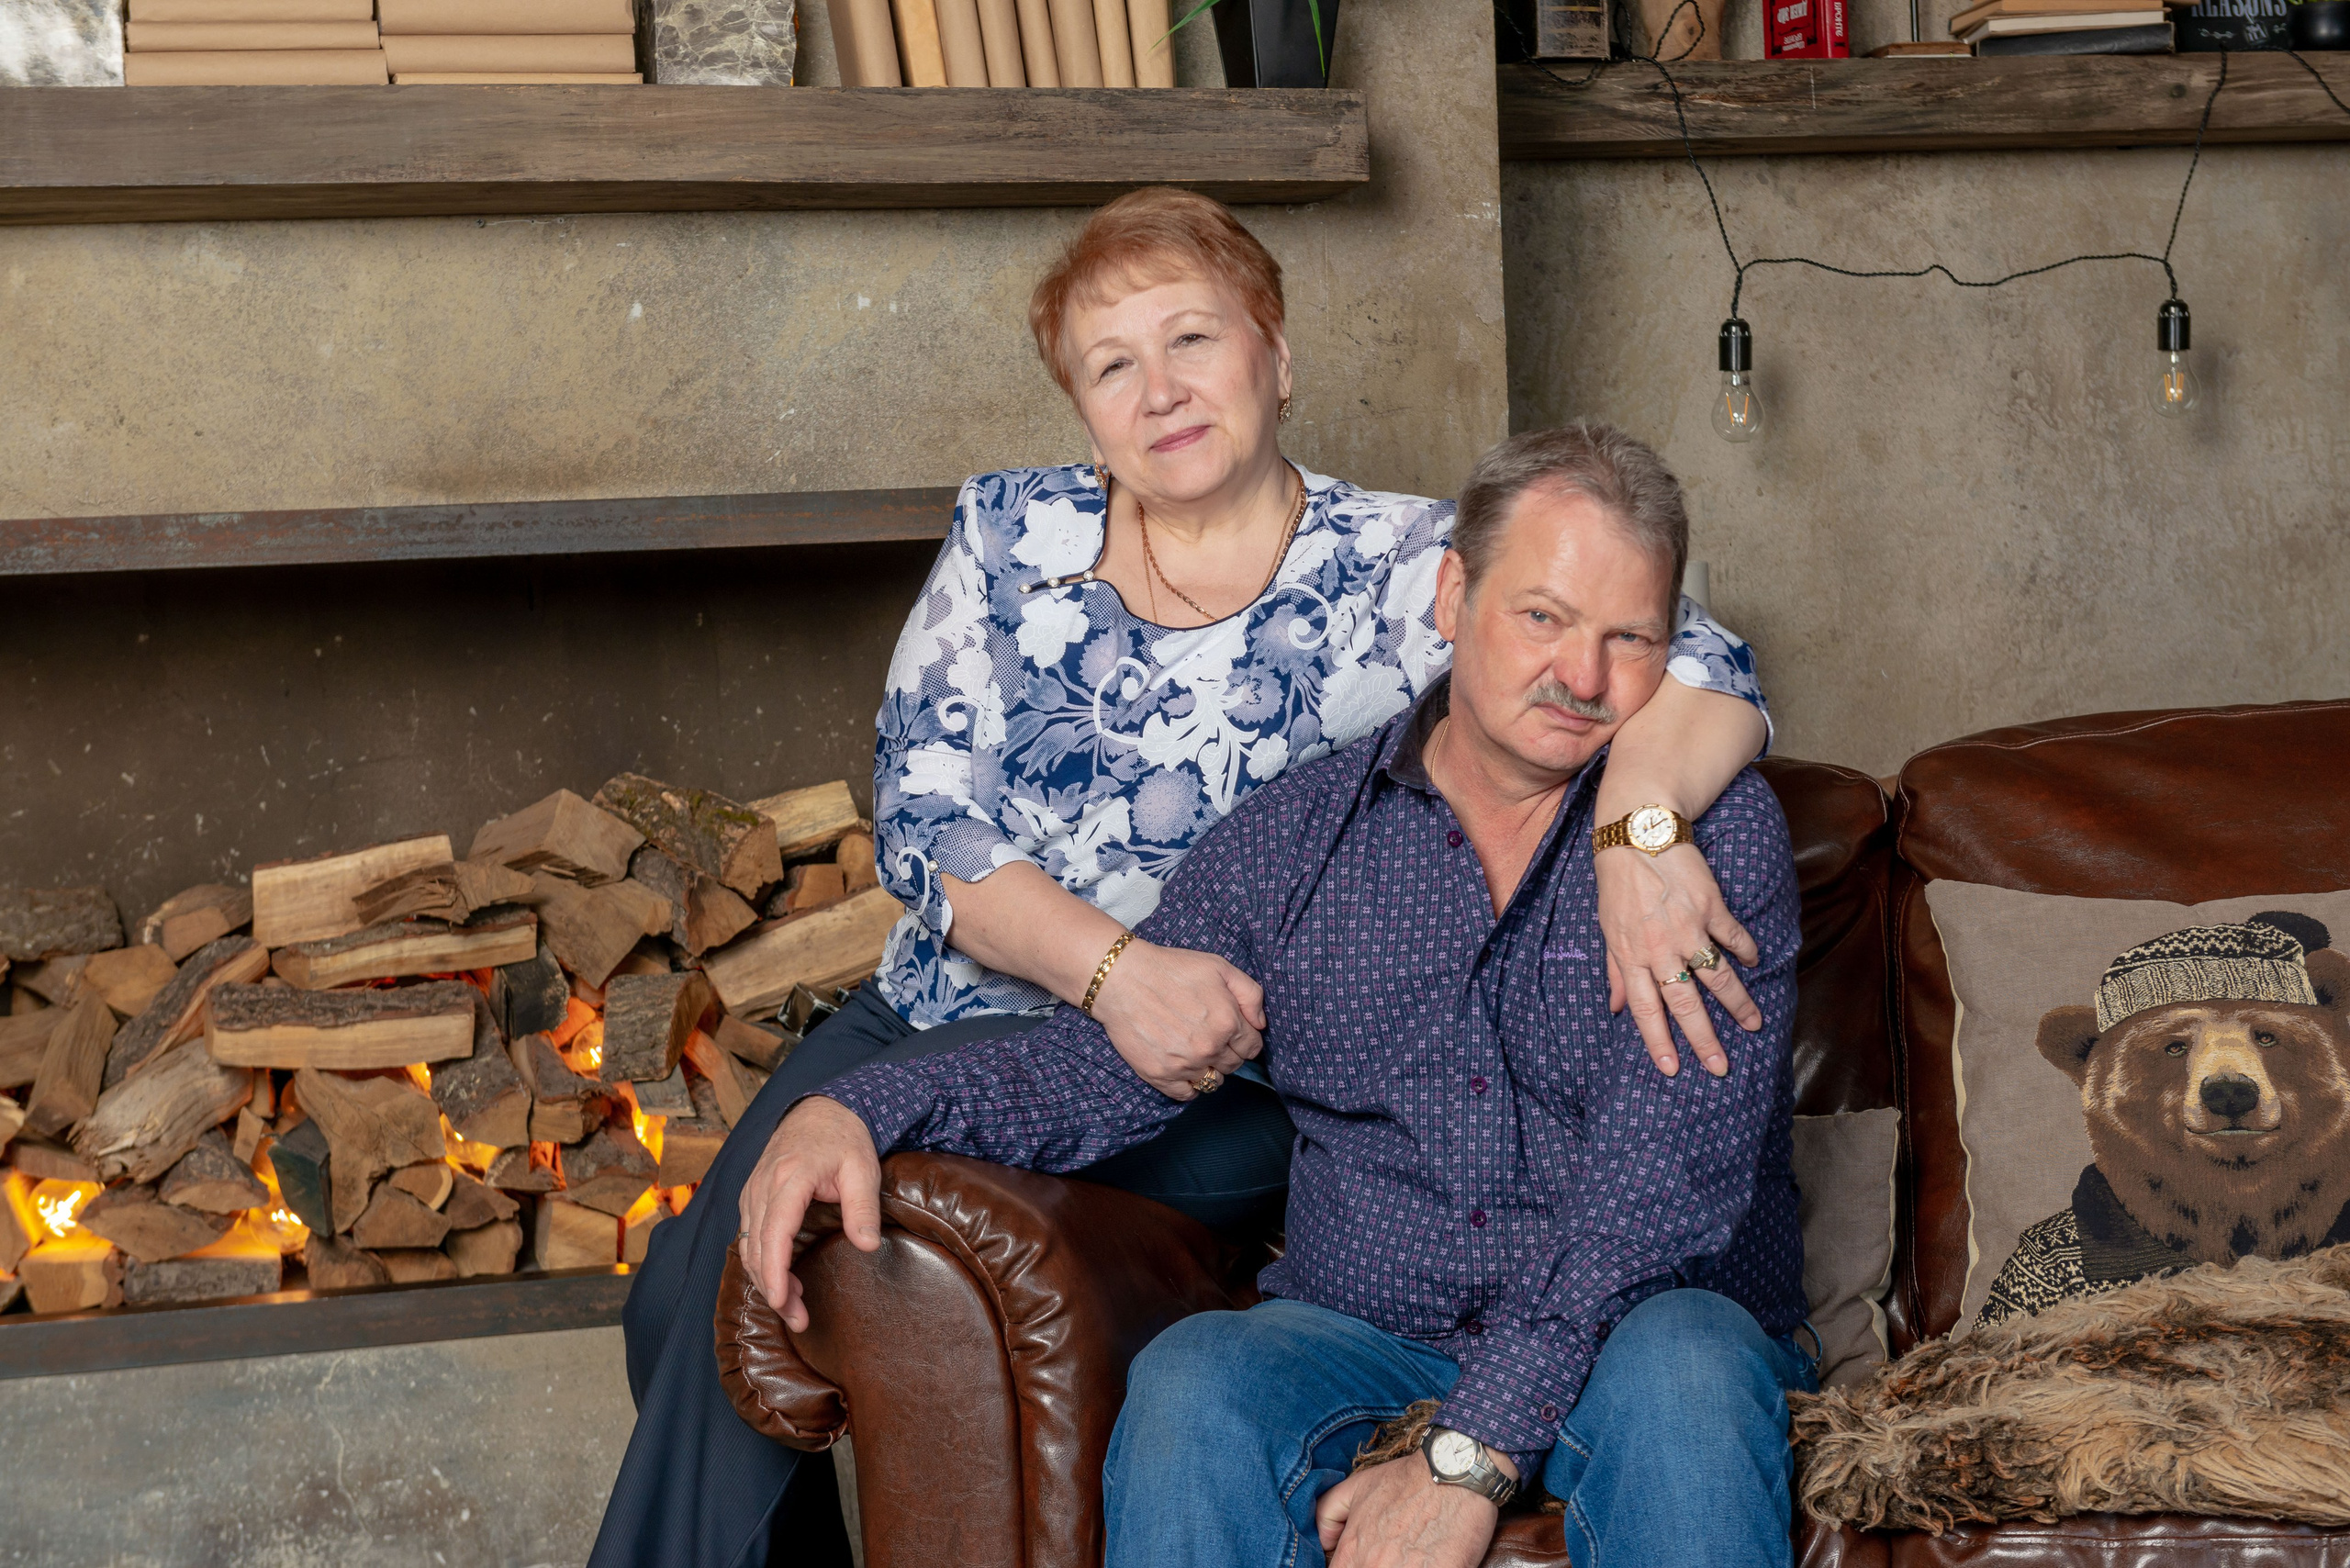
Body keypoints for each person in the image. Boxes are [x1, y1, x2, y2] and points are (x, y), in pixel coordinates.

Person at [591, 188, 1778, 1568]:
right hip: (985, 1002)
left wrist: (1641, 822)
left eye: (1194, 341)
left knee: (812, 1268)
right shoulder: (1012, 540)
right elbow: (923, 811)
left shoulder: (1415, 563)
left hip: (1221, 1046)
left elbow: (1686, 657)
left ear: (1276, 353)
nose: (1160, 393)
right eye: (1112, 365)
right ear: (1078, 404)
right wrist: (1082, 986)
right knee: (696, 1282)